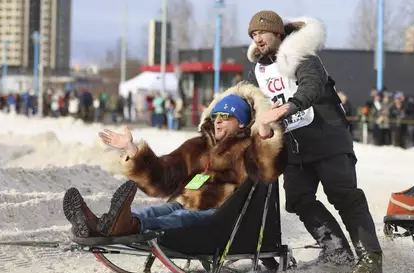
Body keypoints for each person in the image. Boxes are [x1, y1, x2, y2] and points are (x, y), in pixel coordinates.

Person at [243, 10, 383, 273]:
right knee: (298, 199)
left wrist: (287, 108)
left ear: (278, 33)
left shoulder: (303, 55)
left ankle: (371, 260)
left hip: (327, 138)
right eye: (253, 35)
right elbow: (248, 101)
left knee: (345, 197)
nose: (257, 39)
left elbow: (312, 86)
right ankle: (337, 252)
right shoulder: (258, 71)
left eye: (262, 33)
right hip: (294, 148)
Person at [62, 83, 285, 240]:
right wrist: (132, 150)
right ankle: (98, 225)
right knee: (154, 212)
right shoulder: (197, 146)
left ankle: (125, 226)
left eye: (227, 117)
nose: (218, 122)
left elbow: (266, 166)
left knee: (179, 217)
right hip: (185, 201)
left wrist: (264, 130)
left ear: (243, 123)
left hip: (221, 213)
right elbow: (166, 174)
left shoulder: (249, 148)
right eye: (216, 116)